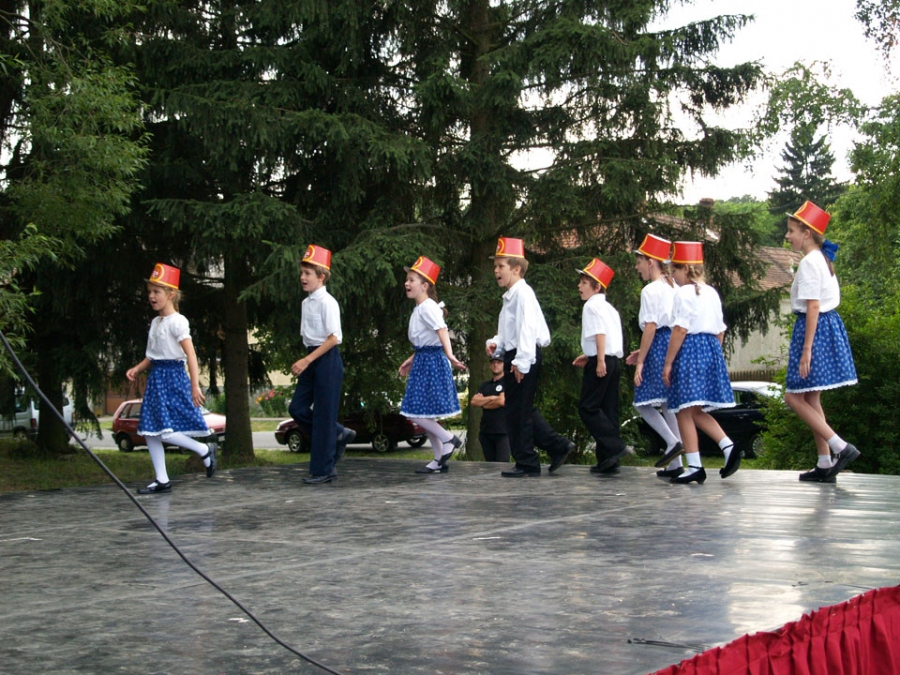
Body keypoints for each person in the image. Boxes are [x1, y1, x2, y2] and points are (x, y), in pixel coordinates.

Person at [782, 201, 859, 483]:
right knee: (811, 396)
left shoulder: (810, 262)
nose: (787, 236)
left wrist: (806, 350)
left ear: (807, 233)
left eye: (792, 231)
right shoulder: (821, 259)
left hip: (814, 329)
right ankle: (824, 462)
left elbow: (813, 305)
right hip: (824, 327)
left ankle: (840, 447)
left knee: (793, 397)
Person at [486, 237, 575, 477]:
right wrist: (497, 344)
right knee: (520, 409)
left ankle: (527, 462)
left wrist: (521, 362)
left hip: (523, 355)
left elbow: (527, 329)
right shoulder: (511, 296)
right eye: (495, 266)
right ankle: (558, 446)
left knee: (518, 412)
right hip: (516, 354)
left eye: (501, 266)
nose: (496, 271)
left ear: (516, 269)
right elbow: (510, 330)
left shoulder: (523, 294)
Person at [127, 263, 217, 494]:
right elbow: (152, 356)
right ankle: (162, 479)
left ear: (171, 294)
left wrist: (195, 385)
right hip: (157, 377)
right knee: (150, 430)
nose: (151, 296)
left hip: (173, 377)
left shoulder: (178, 321)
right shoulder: (155, 322)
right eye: (149, 291)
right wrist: (138, 368)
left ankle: (203, 449)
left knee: (165, 430)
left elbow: (191, 355)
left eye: (156, 291)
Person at [660, 242, 737, 485]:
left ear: (684, 269)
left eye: (674, 270)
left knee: (683, 410)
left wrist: (668, 363)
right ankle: (728, 446)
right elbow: (721, 330)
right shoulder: (711, 292)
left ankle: (694, 465)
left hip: (690, 349)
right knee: (695, 410)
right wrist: (713, 357)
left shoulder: (683, 293)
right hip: (711, 348)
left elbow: (680, 329)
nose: (673, 276)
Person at [287, 245, 355, 485]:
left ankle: (324, 470)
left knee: (324, 415)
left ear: (321, 277)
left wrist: (307, 360)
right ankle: (338, 432)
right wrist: (307, 359)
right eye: (302, 273)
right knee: (297, 408)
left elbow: (334, 338)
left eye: (308, 273)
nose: (302, 277)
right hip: (311, 356)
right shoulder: (306, 303)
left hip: (326, 359)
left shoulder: (328, 302)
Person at [397, 256, 466, 474]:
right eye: (407, 280)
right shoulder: (421, 308)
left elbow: (441, 330)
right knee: (426, 413)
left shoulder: (427, 307)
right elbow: (426, 340)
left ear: (424, 286)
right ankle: (438, 460)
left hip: (432, 363)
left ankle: (448, 439)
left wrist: (450, 354)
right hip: (424, 359)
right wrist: (411, 359)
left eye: (411, 280)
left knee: (414, 412)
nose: (407, 283)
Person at [625, 234, 685, 479]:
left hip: (659, 345)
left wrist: (641, 361)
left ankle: (672, 442)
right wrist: (642, 351)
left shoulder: (650, 290)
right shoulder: (674, 288)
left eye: (639, 261)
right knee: (668, 404)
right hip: (672, 344)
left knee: (641, 401)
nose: (637, 267)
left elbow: (651, 326)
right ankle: (676, 464)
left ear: (650, 262)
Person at [572, 258, 627, 474]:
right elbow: (610, 336)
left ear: (597, 287)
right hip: (612, 360)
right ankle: (608, 460)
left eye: (584, 283)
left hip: (602, 360)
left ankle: (615, 446)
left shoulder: (591, 306)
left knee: (588, 407)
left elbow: (600, 333)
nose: (579, 286)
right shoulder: (609, 308)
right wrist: (591, 355)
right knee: (608, 409)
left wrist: (599, 359)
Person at [470, 354, 509, 463]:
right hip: (486, 431)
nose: (495, 365)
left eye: (499, 362)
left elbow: (502, 401)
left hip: (503, 431)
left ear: (504, 364)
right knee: (490, 465)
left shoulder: (508, 382)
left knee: (502, 464)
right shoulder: (485, 385)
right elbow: (474, 401)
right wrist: (492, 398)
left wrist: (484, 403)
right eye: (493, 363)